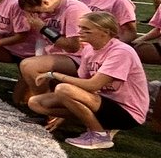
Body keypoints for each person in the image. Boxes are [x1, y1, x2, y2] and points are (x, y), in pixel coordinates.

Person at [26, 11, 149, 149]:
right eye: (80, 27)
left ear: (105, 32)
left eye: (86, 29)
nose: (79, 32)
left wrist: (54, 75)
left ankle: (99, 136)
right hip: (102, 101)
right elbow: (81, 83)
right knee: (36, 103)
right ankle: (98, 125)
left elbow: (92, 85)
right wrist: (67, 109)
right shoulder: (89, 49)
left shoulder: (121, 52)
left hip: (127, 111)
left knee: (63, 88)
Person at [17, 0, 91, 99]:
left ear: (45, 2)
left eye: (37, 11)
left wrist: (43, 28)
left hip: (81, 57)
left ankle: (47, 107)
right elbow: (42, 40)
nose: (37, 15)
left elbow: (73, 47)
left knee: (28, 66)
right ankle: (47, 102)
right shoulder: (48, 9)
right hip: (58, 54)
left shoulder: (74, 9)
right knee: (18, 98)